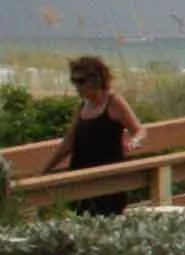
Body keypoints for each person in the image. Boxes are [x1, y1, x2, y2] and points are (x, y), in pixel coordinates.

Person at [38, 56, 146, 216]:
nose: (77, 87)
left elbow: (139, 130)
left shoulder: (114, 102)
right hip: (81, 180)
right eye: (74, 81)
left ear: (96, 79)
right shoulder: (82, 107)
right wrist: (44, 172)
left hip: (108, 180)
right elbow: (68, 143)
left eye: (81, 81)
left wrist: (134, 142)